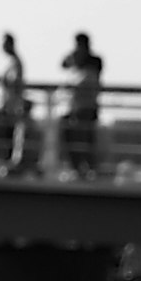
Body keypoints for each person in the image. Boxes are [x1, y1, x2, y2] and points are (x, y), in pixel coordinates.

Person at [61, 32, 105, 177]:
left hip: (87, 108)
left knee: (85, 140)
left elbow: (86, 82)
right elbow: (63, 64)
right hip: (75, 108)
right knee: (71, 137)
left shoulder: (93, 62)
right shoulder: (78, 61)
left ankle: (89, 169)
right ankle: (78, 169)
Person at [0, 33, 28, 174]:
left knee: (7, 138)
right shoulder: (11, 62)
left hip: (11, 108)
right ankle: (3, 165)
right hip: (5, 106)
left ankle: (8, 167)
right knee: (2, 137)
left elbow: (14, 82)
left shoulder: (16, 62)